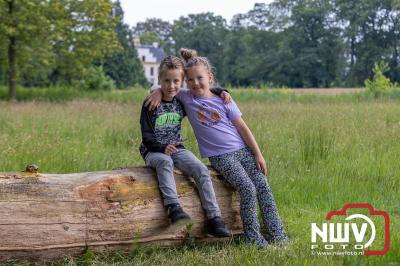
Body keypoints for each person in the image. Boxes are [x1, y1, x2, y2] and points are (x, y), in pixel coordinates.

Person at [146, 48, 288, 248]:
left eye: (200, 78)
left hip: (243, 151)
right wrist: (157, 93)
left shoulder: (224, 99)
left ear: (210, 77)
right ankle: (254, 238)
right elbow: (165, 83)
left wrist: (258, 154)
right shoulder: (187, 98)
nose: (195, 83)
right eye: (191, 80)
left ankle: (278, 235)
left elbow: (243, 128)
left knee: (263, 186)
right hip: (221, 156)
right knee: (247, 188)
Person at [139, 55, 231, 237]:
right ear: (159, 81)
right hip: (153, 151)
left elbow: (202, 92)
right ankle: (174, 209)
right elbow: (147, 136)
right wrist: (161, 148)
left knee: (200, 169)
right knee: (165, 162)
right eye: (166, 81)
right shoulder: (151, 103)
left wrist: (222, 91)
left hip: (177, 148)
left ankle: (214, 219)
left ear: (182, 82)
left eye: (176, 81)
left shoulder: (181, 101)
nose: (171, 86)